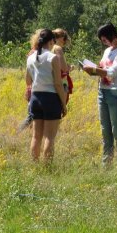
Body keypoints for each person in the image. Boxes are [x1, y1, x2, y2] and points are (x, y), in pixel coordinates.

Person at [82, 23, 117, 165]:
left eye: (104, 40)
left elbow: (112, 73)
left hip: (116, 93)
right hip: (102, 92)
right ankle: (106, 164)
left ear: (111, 36)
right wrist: (94, 69)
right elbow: (103, 69)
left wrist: (95, 70)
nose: (104, 43)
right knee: (105, 131)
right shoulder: (108, 51)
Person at [26, 29, 67, 162]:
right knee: (49, 136)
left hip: (35, 98)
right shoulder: (52, 57)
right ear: (51, 41)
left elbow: (28, 80)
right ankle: (47, 167)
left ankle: (35, 164)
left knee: (36, 136)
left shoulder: (30, 57)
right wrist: (63, 103)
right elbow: (58, 83)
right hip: (50, 98)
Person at [52, 28, 74, 103]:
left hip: (51, 81)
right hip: (61, 82)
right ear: (61, 38)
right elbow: (64, 69)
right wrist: (70, 67)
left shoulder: (48, 47)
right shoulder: (58, 48)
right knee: (61, 105)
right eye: (64, 38)